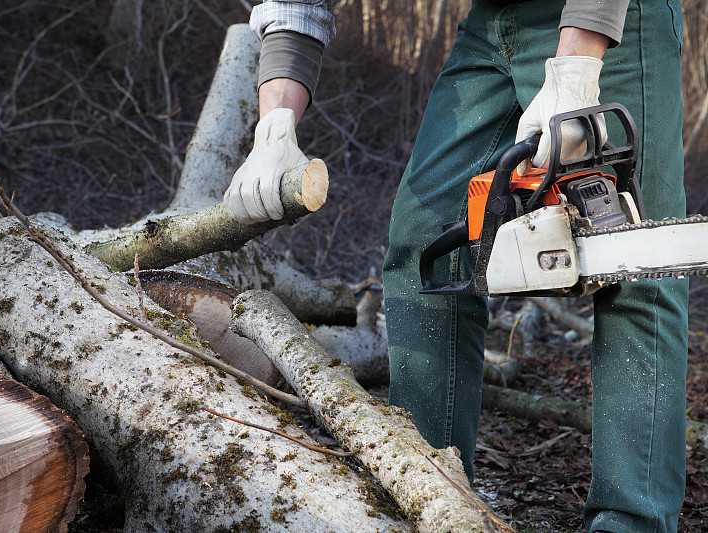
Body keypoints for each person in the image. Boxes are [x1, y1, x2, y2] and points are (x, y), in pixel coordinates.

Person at [226, 1, 689, 531]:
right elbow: (298, 6)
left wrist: (577, 68)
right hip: (492, 23)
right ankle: (428, 492)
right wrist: (275, 127)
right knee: (426, 242)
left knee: (634, 259)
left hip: (609, 18)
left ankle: (632, 520)